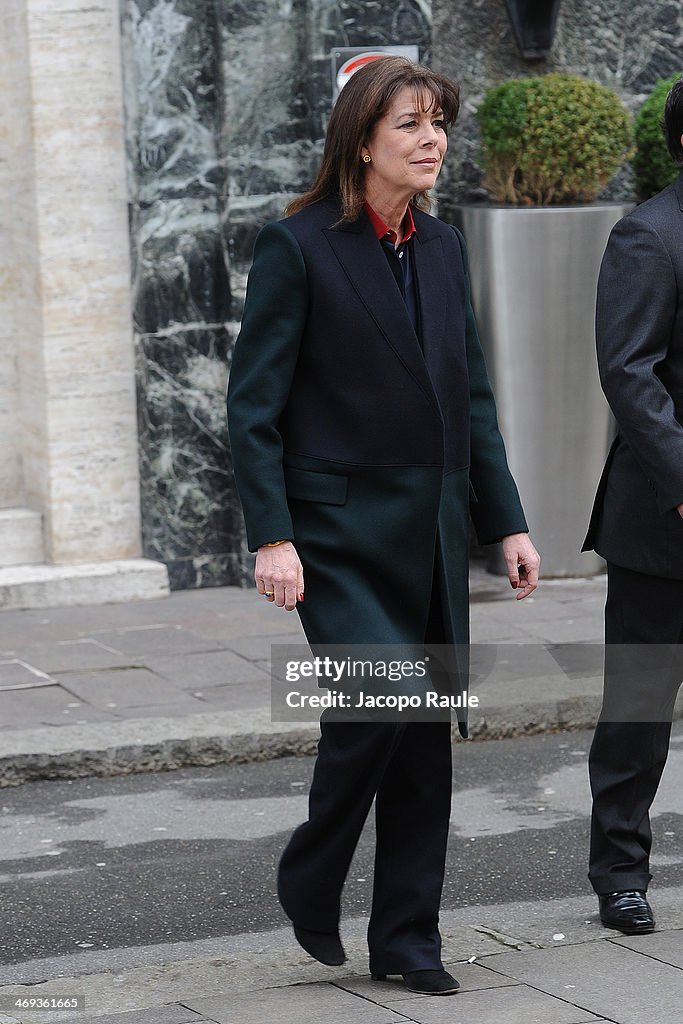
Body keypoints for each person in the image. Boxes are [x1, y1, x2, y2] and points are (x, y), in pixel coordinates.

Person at [227, 56, 539, 995]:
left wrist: (507, 523)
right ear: (362, 140)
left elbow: (470, 395)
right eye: (409, 124)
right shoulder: (299, 246)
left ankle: (408, 942)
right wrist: (270, 534)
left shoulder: (442, 248)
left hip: (434, 533)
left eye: (438, 121)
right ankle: (313, 869)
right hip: (337, 537)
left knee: (420, 738)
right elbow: (254, 407)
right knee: (377, 708)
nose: (431, 139)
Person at [583, 76, 683, 936]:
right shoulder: (647, 236)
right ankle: (619, 874)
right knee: (639, 713)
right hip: (663, 526)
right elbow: (629, 372)